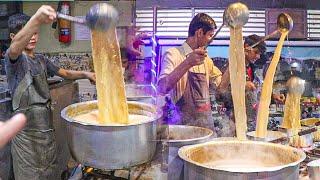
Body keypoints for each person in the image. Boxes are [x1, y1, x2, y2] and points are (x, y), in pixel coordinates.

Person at [5, 6, 95, 180]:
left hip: (45, 132)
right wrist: (37, 19)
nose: (32, 37)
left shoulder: (41, 60)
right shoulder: (14, 60)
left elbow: (66, 74)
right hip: (26, 139)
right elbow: (14, 49)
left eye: (35, 33)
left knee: (49, 174)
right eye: (27, 33)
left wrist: (86, 74)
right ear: (13, 37)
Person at [158, 13, 230, 134]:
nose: (211, 40)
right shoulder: (173, 54)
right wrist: (188, 63)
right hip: (182, 130)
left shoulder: (206, 60)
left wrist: (233, 63)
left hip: (205, 128)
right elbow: (162, 87)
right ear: (199, 33)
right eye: (210, 35)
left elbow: (221, 89)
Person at [218, 34, 266, 132]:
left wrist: (273, 96)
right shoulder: (231, 67)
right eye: (256, 52)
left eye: (259, 54)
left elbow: (258, 92)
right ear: (246, 47)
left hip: (251, 123)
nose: (258, 56)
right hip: (233, 124)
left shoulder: (254, 69)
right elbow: (220, 94)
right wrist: (240, 86)